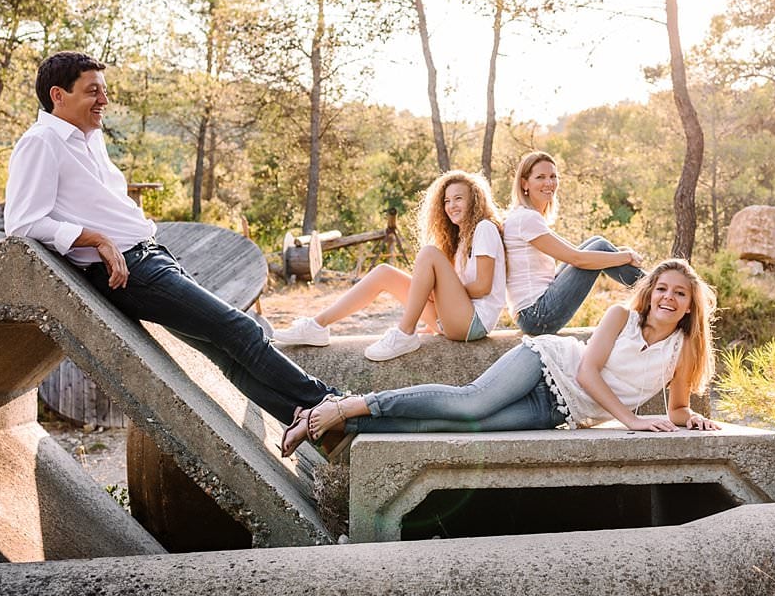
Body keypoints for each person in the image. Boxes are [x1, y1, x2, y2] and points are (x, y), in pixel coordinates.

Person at [5, 51, 340, 458]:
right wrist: (95, 238)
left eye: (104, 91)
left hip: (152, 254)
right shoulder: (40, 143)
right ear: (58, 95)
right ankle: (330, 404)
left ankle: (309, 421)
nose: (104, 101)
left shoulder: (90, 138)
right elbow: (22, 223)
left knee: (225, 353)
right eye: (92, 91)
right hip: (131, 271)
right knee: (240, 330)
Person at [284, 259, 720, 458]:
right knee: (469, 403)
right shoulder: (620, 316)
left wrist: (691, 419)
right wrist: (632, 421)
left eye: (679, 293)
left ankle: (337, 421)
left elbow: (677, 407)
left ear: (688, 307)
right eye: (662, 288)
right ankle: (353, 403)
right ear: (650, 293)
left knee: (456, 427)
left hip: (560, 411)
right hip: (547, 364)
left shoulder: (683, 350)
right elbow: (587, 372)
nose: (668, 296)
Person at [273, 170, 506, 363]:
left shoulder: (484, 228)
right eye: (446, 200)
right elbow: (456, 288)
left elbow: (483, 287)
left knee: (429, 254)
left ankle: (405, 333)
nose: (451, 205)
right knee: (384, 272)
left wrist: (442, 294)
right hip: (455, 318)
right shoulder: (461, 237)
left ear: (474, 199)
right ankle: (317, 325)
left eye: (458, 198)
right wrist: (440, 298)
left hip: (473, 323)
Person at [503, 151, 645, 335]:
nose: (549, 183)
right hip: (536, 315)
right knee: (598, 246)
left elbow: (572, 252)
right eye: (540, 177)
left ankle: (656, 287)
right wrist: (626, 256)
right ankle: (655, 288)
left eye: (553, 176)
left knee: (596, 242)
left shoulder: (526, 216)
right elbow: (577, 259)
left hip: (534, 311)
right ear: (524, 183)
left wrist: (620, 255)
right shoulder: (527, 219)